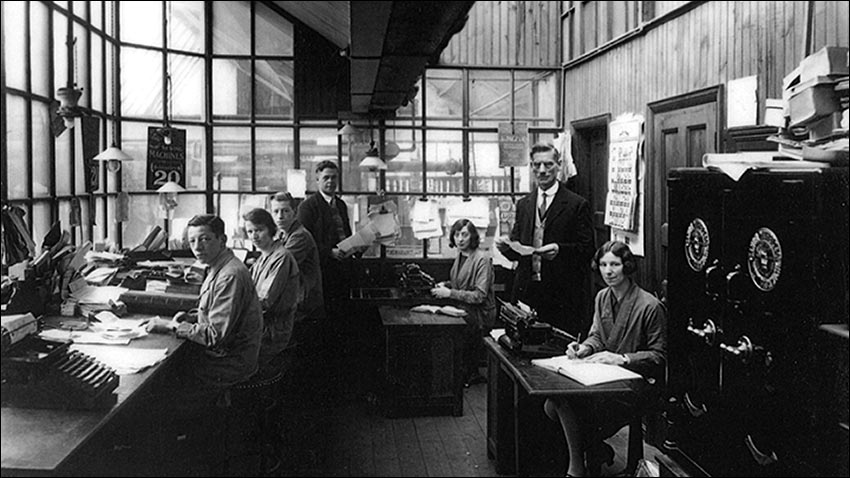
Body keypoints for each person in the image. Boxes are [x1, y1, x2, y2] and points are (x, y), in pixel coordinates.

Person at [543, 240, 666, 477]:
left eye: (615, 264)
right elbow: (596, 336)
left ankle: (576, 469)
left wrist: (622, 358)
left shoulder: (649, 305)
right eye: (603, 264)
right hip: (603, 379)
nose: (608, 271)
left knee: (564, 403)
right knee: (552, 403)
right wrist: (584, 349)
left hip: (635, 384)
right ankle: (594, 450)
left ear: (627, 266)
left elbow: (659, 357)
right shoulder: (602, 297)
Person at [146, 214, 263, 404]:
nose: (197, 247)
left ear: (222, 239)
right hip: (226, 355)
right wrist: (192, 317)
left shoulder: (229, 275)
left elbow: (214, 336)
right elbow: (214, 310)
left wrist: (171, 326)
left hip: (230, 362)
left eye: (205, 239)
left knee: (157, 386)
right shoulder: (217, 266)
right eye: (192, 241)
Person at [496, 141, 594, 337]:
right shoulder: (524, 204)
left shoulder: (576, 204)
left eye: (548, 164)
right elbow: (518, 250)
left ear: (558, 165)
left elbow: (588, 248)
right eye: (537, 165)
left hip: (561, 294)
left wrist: (560, 249)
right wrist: (505, 247)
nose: (542, 170)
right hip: (527, 292)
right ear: (531, 167)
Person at [431, 219, 496, 386]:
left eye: (464, 234)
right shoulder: (460, 255)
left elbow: (479, 296)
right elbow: (460, 282)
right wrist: (445, 284)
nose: (460, 239)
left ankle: (467, 375)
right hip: (463, 309)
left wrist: (449, 293)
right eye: (457, 234)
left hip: (479, 315)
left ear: (472, 237)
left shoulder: (482, 259)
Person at [243, 208, 302, 369]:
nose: (254, 236)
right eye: (250, 231)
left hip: (272, 332)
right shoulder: (262, 257)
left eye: (259, 230)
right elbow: (245, 290)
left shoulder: (281, 257)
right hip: (261, 325)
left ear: (271, 229)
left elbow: (263, 301)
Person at [296, 160, 356, 318]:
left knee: (342, 315)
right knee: (326, 317)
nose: (331, 181)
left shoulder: (341, 205)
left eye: (334, 178)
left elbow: (345, 233)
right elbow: (304, 241)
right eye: (326, 178)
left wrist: (356, 246)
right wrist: (329, 252)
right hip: (321, 271)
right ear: (317, 181)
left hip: (343, 269)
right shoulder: (307, 207)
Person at [269, 192, 324, 325]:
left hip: (305, 307)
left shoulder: (299, 236)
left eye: (285, 211)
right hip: (298, 302)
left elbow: (279, 266)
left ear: (294, 212)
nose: (280, 216)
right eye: (276, 211)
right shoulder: (283, 234)